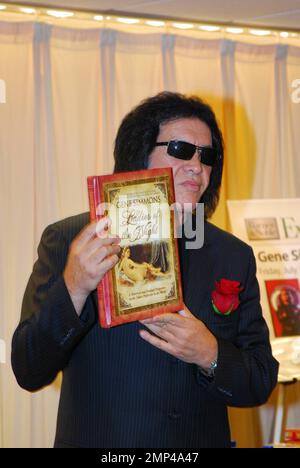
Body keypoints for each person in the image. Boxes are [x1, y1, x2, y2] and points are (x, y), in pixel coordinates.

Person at [11, 92, 278, 448]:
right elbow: (28, 370)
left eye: (207, 156)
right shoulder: (71, 240)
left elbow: (260, 379)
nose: (197, 167)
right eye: (181, 150)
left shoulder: (233, 255)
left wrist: (210, 353)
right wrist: (74, 287)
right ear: (139, 153)